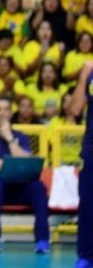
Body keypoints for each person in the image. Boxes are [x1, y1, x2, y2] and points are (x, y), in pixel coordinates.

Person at [0, 95, 49, 254]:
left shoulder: (21, 137)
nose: (2, 113)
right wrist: (12, 163)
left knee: (38, 187)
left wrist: (9, 138)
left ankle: (42, 241)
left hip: (18, 187)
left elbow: (25, 163)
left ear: (11, 113)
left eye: (6, 109)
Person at [73, 62, 93, 268]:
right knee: (88, 206)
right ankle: (86, 256)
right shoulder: (90, 71)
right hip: (92, 150)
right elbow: (76, 108)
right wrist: (82, 77)